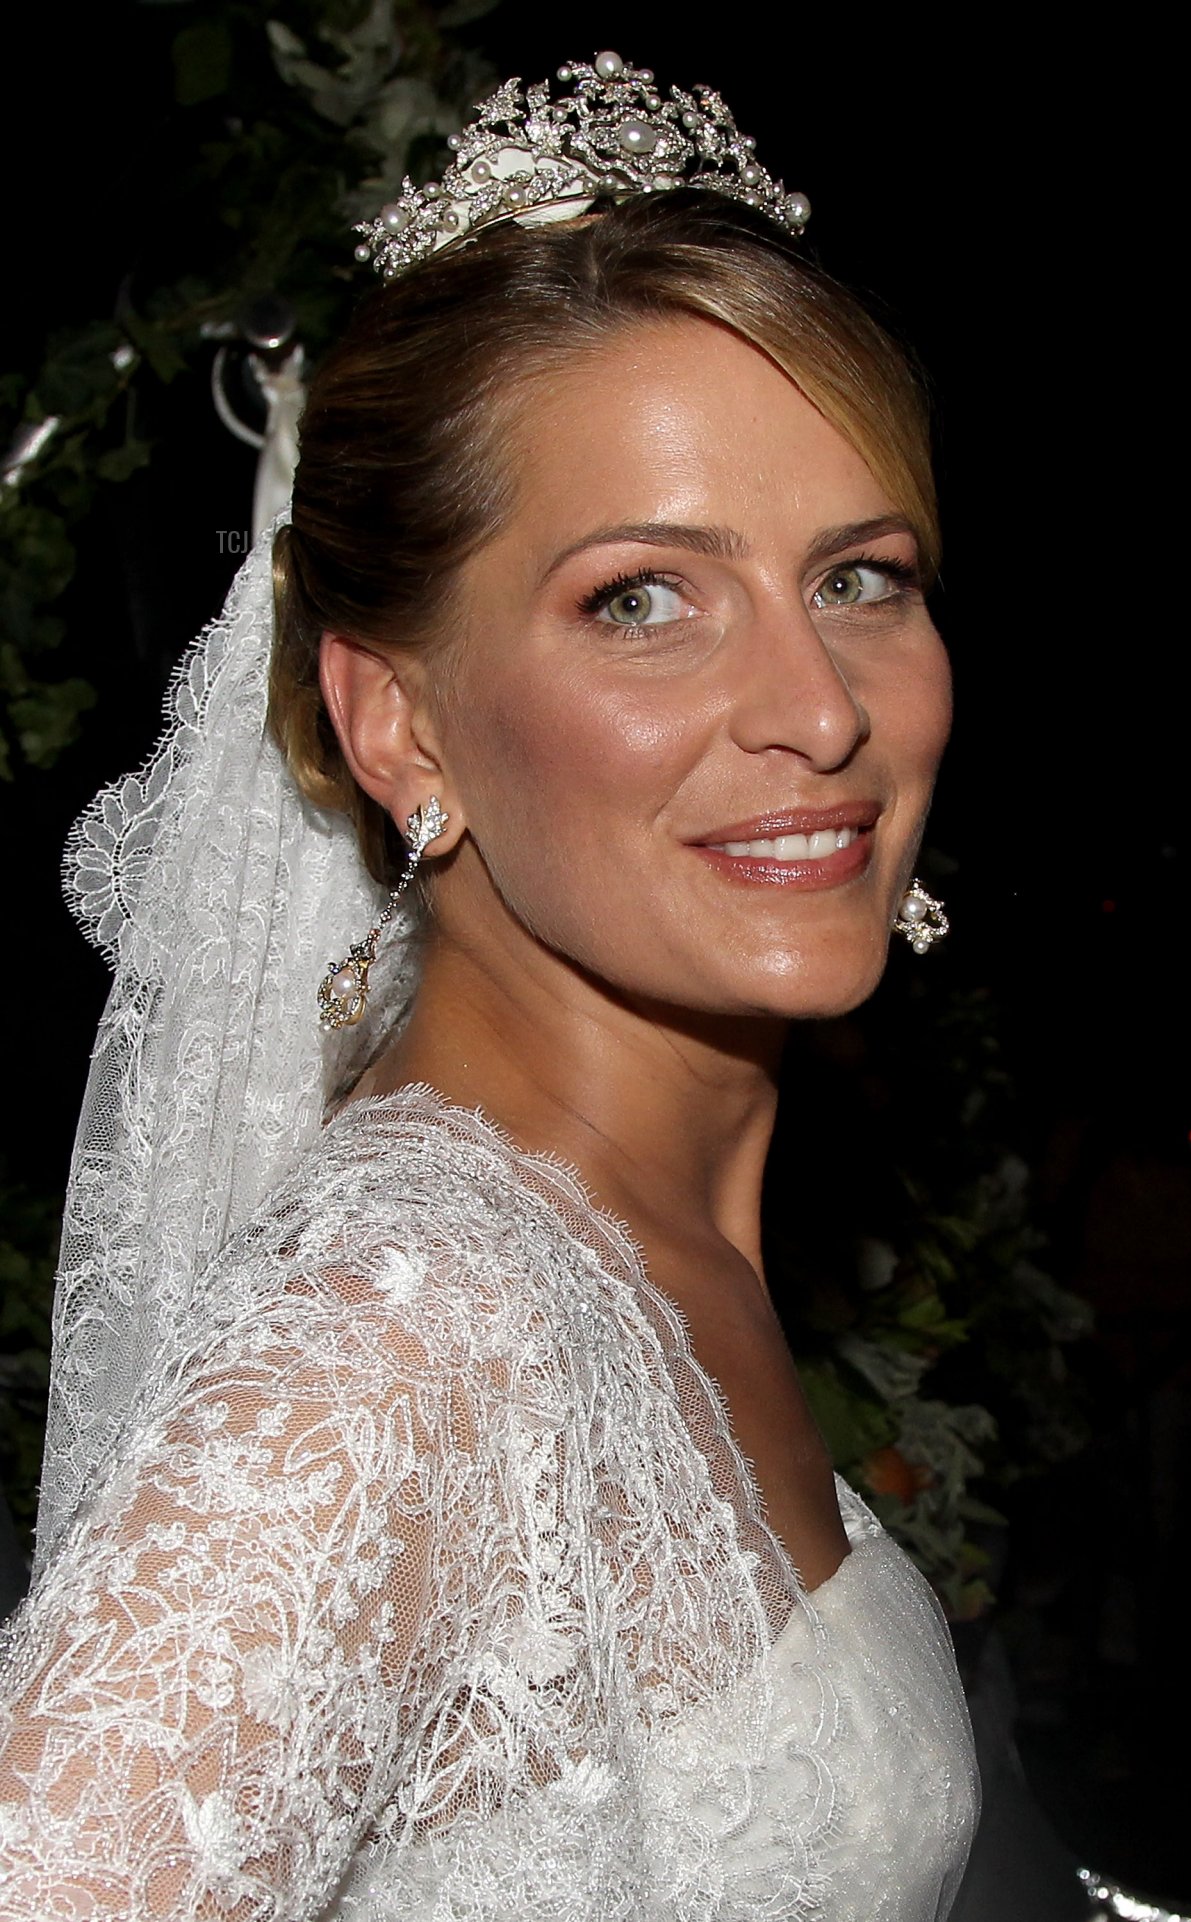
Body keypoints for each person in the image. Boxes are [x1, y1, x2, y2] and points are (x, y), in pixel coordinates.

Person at [0, 53, 978, 1920]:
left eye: (860, 576)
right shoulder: (395, 1342)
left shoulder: (626, 1238)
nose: (823, 707)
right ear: (397, 714)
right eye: (642, 597)